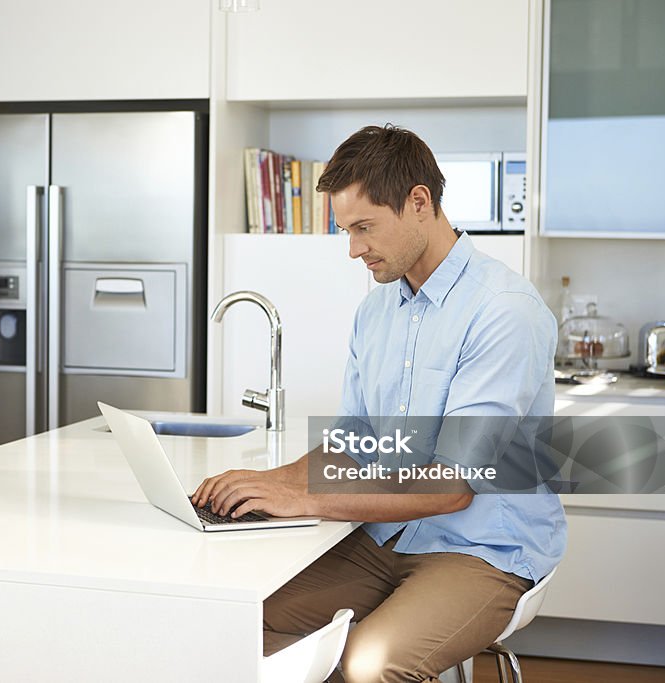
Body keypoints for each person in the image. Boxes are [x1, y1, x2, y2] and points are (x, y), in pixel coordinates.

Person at [193, 124, 566, 683]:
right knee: (230, 624)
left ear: (419, 202)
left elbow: (450, 486)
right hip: (383, 539)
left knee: (373, 664)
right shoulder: (376, 313)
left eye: (364, 228)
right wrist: (267, 484)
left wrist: (304, 498)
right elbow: (357, 442)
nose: (354, 249)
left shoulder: (504, 311)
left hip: (483, 550)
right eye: (346, 231)